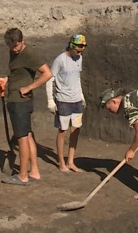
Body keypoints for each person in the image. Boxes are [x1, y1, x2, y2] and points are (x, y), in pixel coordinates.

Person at [0, 28, 53, 185]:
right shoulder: (13, 52)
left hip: (20, 102)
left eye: (16, 46)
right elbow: (17, 71)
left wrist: (29, 88)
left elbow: (47, 73)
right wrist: (6, 80)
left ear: (23, 41)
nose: (14, 49)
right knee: (27, 136)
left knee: (21, 138)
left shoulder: (29, 54)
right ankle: (34, 171)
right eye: (11, 46)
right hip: (16, 100)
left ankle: (22, 175)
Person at [45, 34, 87, 172]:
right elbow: (50, 79)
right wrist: (51, 100)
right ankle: (61, 162)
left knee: (75, 130)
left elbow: (77, 77)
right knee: (62, 131)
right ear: (72, 46)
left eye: (82, 49)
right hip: (63, 101)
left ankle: (71, 161)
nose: (80, 52)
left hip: (76, 101)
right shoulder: (60, 60)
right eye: (78, 49)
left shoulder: (79, 58)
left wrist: (81, 95)